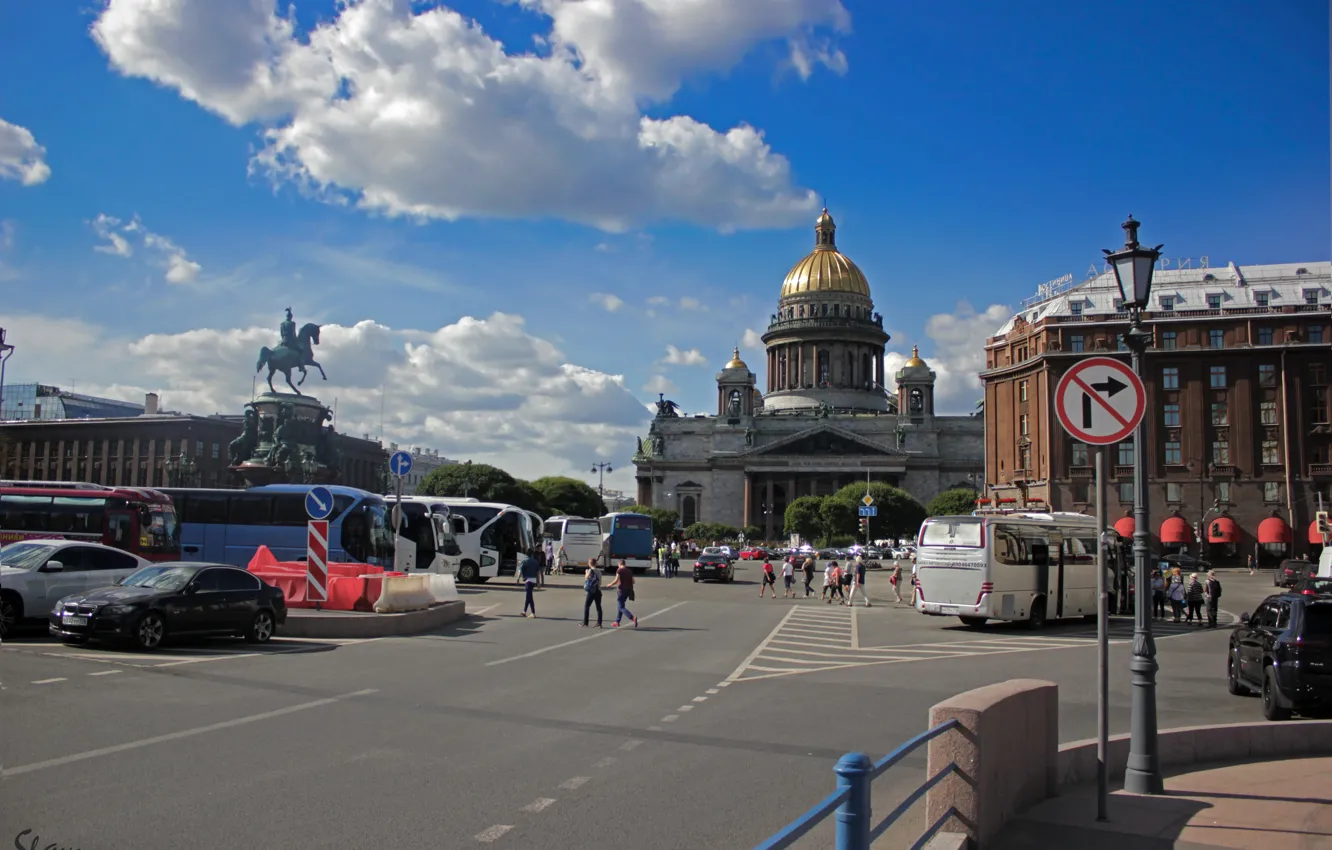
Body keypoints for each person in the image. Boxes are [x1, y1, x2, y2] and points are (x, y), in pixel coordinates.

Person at [605, 559, 638, 627]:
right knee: (621, 605)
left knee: (621, 607)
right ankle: (617, 621)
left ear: (619, 564)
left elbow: (616, 580)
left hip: (621, 590)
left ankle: (632, 617)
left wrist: (610, 584)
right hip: (628, 590)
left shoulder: (619, 570)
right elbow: (633, 581)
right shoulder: (629, 571)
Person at [517, 548, 540, 618]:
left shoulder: (524, 561)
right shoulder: (535, 561)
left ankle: (533, 612)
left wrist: (518, 578)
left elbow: (520, 571)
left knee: (530, 597)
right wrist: (538, 582)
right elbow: (538, 572)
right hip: (533, 581)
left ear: (526, 554)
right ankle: (524, 611)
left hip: (527, 580)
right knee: (528, 596)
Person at [581, 558, 603, 628]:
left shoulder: (590, 570)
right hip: (598, 590)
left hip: (591, 591)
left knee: (587, 606)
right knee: (598, 607)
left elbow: (586, 578)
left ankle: (585, 622)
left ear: (590, 563)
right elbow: (600, 582)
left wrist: (586, 573)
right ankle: (599, 623)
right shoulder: (599, 571)